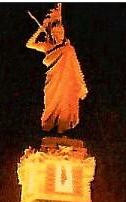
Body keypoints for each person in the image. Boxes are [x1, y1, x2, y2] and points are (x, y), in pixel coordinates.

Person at [26, 4, 88, 134]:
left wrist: (80, 84)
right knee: (51, 104)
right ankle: (50, 127)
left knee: (66, 104)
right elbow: (29, 44)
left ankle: (64, 129)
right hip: (53, 81)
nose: (60, 34)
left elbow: (76, 67)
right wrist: (40, 29)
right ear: (52, 33)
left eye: (61, 32)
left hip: (67, 82)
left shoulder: (69, 48)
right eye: (57, 32)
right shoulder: (48, 46)